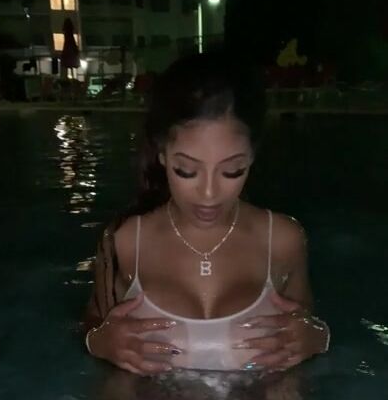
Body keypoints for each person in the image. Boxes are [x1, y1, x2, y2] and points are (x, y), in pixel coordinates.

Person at [84, 49, 329, 375]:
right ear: (162, 153)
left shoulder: (284, 241)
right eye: (186, 171)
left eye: (232, 170)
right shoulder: (125, 242)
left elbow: (305, 330)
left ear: (252, 156)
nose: (209, 194)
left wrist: (318, 337)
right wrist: (99, 342)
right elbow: (92, 327)